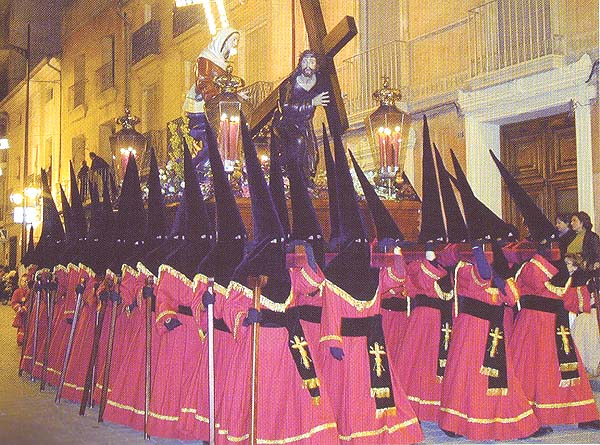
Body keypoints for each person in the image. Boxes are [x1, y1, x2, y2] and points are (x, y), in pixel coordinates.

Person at [183, 27, 240, 175]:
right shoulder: (206, 58)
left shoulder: (222, 61)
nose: (235, 44)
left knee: (219, 140)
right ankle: (201, 170)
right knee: (211, 140)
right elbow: (203, 81)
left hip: (218, 107)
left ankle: (212, 169)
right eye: (233, 40)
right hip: (202, 107)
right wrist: (215, 97)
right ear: (224, 40)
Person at [271, 50, 330, 179]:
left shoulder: (319, 82)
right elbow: (285, 107)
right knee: (298, 141)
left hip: (304, 123)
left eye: (312, 62)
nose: (308, 65)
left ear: (316, 65)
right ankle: (290, 176)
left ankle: (304, 180)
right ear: (300, 64)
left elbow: (328, 97)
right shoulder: (289, 84)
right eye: (305, 61)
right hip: (285, 123)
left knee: (312, 155)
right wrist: (311, 103)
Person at [11, 275, 30, 346]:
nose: (25, 283)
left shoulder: (31, 292)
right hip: (21, 313)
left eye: (26, 281)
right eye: (23, 281)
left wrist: (26, 307)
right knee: (21, 327)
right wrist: (19, 308)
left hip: (28, 312)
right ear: (20, 282)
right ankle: (21, 340)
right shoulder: (17, 291)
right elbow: (14, 302)